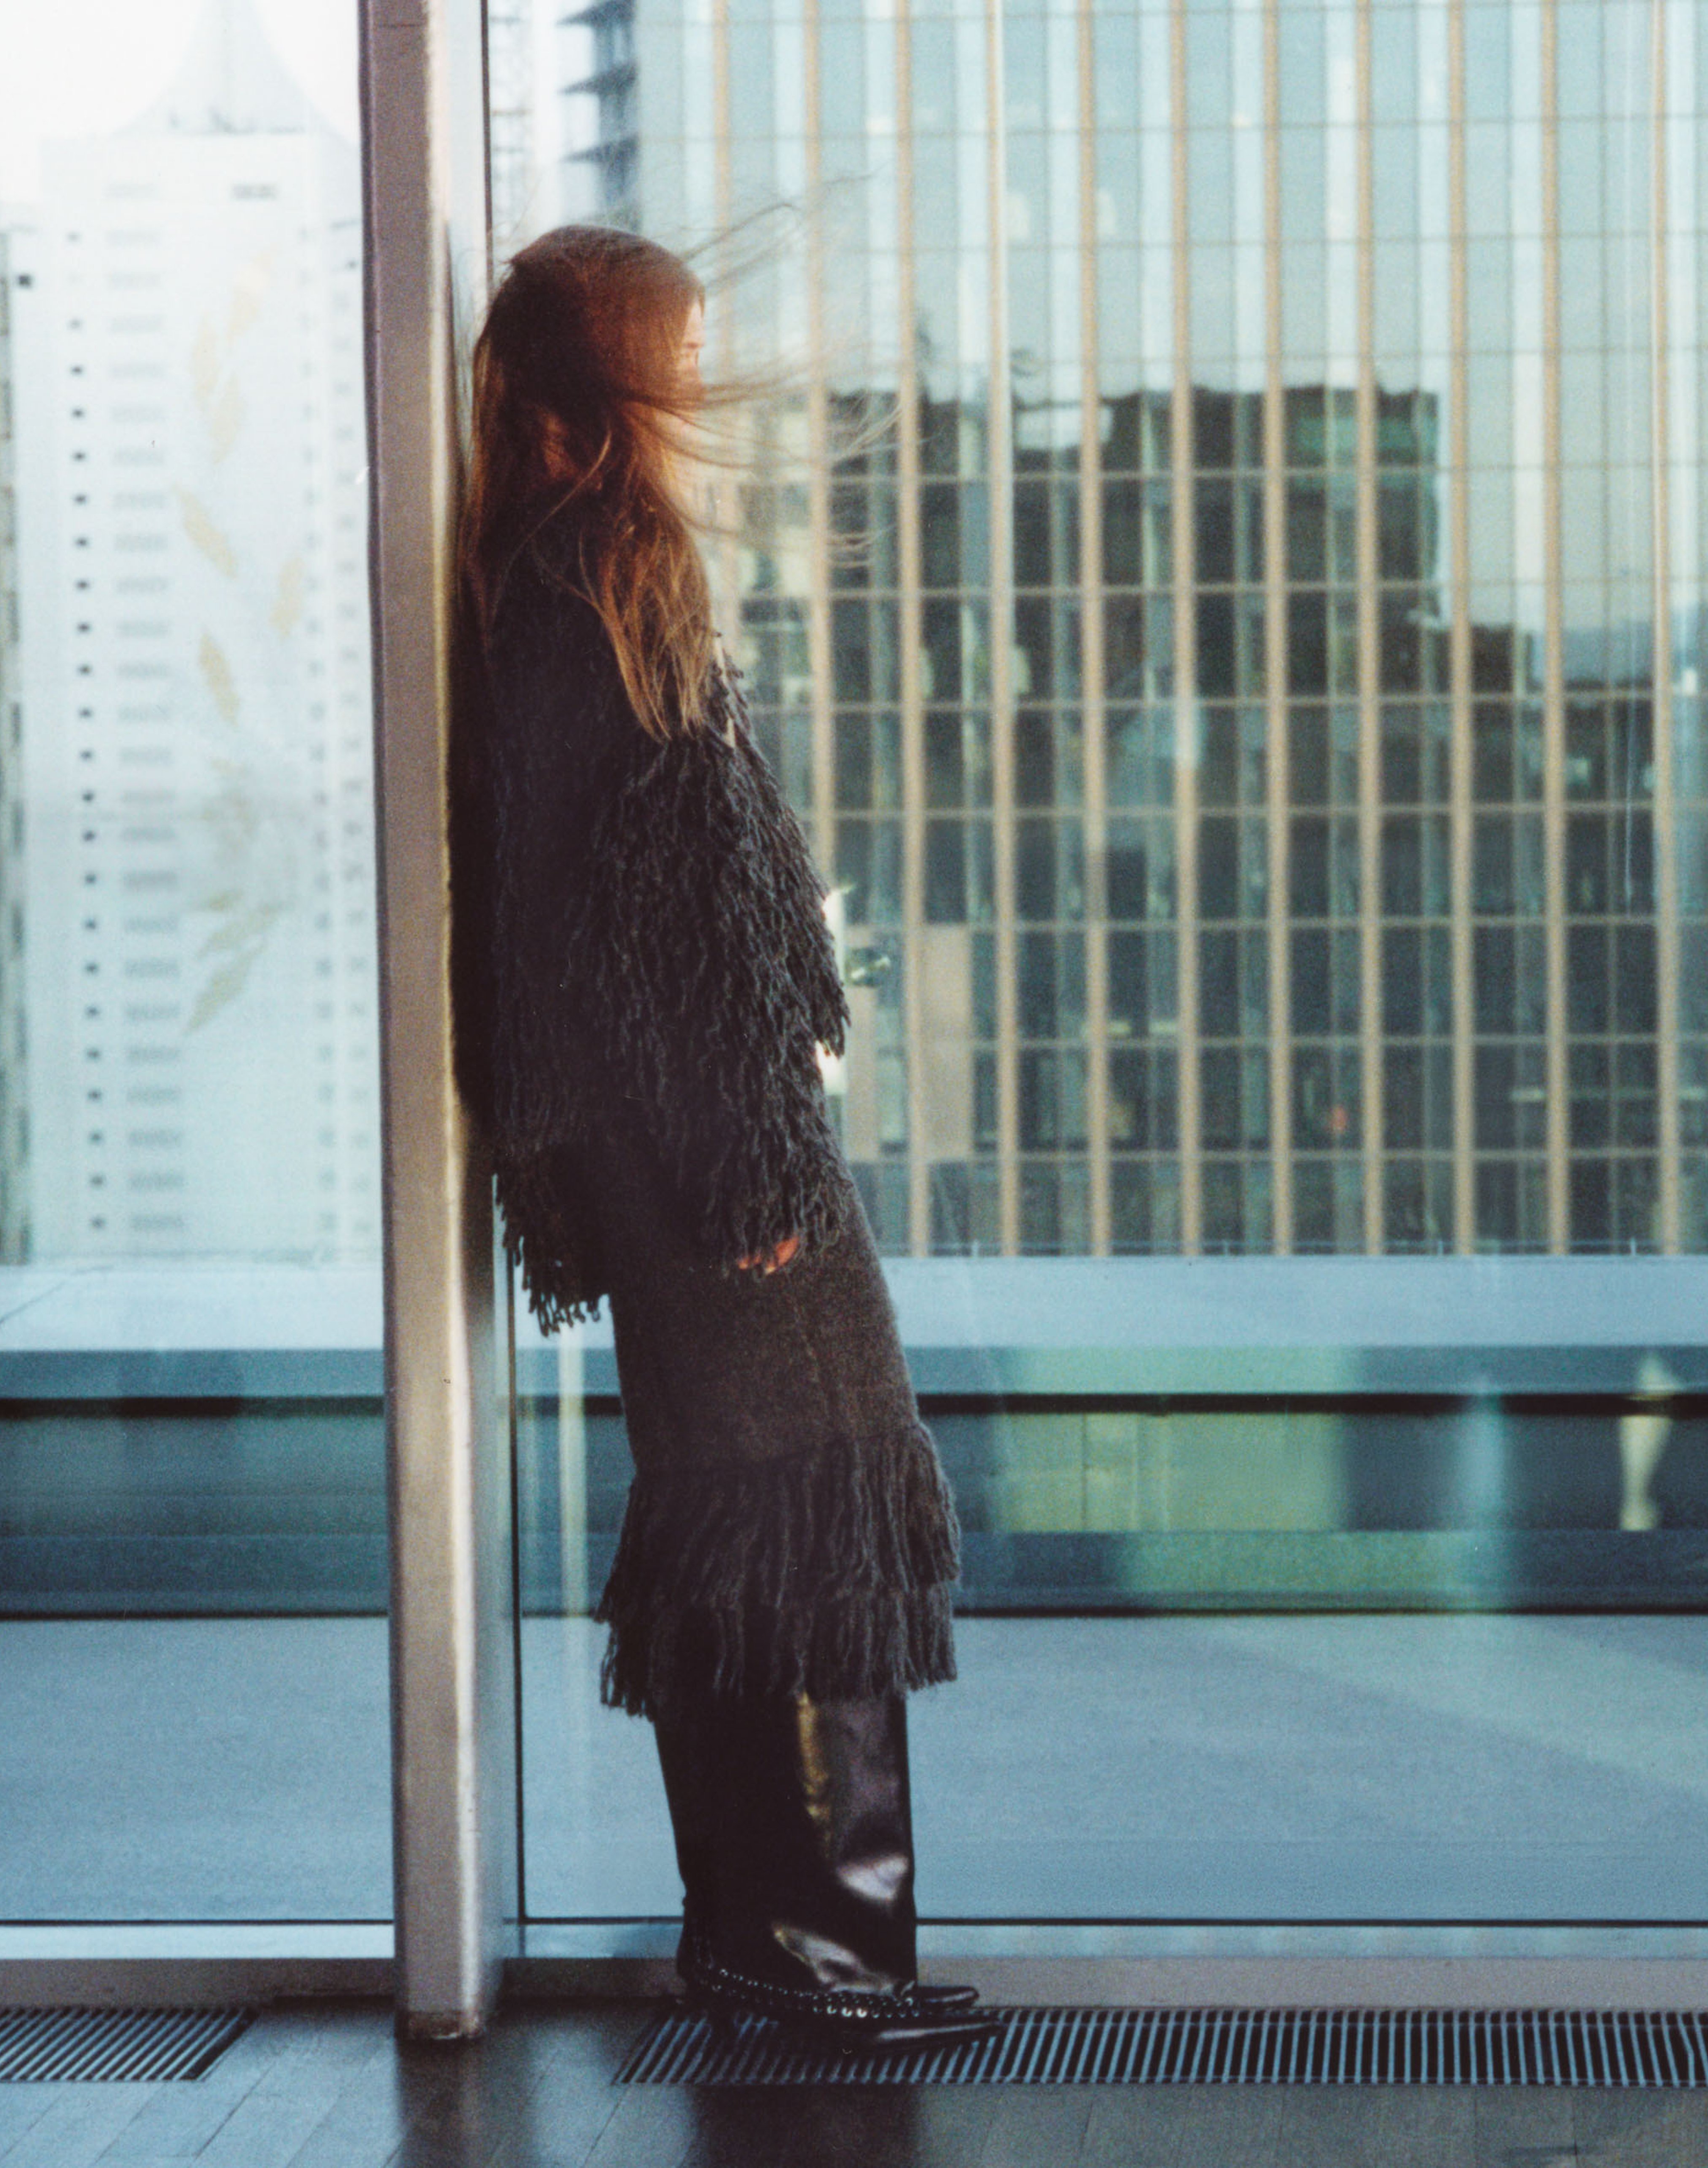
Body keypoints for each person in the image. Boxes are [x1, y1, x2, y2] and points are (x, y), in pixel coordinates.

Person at [450, 226, 999, 2058]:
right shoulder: (609, 574)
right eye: (677, 364)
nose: (700, 400)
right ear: (612, 401)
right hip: (714, 1148)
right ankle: (826, 1957)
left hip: (660, 1144)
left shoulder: (532, 582)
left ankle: (772, 1944)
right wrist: (750, 1170)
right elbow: (657, 917)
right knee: (818, 1485)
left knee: (750, 1501)